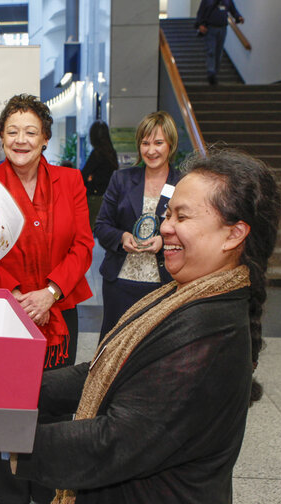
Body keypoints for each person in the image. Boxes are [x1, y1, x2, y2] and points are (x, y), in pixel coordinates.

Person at [11, 148, 281, 504]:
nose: (164, 226)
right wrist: (15, 390)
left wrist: (16, 443)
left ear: (233, 235)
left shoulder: (211, 334)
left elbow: (118, 440)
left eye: (181, 217)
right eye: (168, 213)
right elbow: (104, 373)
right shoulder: (183, 294)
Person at [0, 94, 95, 504]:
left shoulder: (71, 181)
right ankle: (8, 494)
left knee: (53, 402)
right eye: (13, 131)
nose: (21, 139)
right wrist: (16, 297)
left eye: (31, 132)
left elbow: (83, 244)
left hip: (58, 309)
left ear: (45, 139)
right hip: (5, 310)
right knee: (4, 403)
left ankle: (47, 489)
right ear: (2, 136)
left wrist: (50, 292)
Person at [94, 111, 181, 342]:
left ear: (170, 144)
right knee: (114, 345)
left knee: (156, 347)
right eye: (145, 143)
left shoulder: (183, 184)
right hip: (120, 282)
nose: (151, 150)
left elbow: (191, 231)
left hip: (165, 283)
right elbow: (101, 226)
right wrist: (122, 237)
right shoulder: (121, 179)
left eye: (158, 143)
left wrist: (164, 242)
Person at [195, 0, 243, 85]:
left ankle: (214, 73)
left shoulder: (227, 1)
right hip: (210, 28)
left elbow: (233, 10)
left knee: (219, 52)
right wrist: (200, 24)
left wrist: (238, 17)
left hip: (222, 28)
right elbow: (201, 12)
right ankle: (211, 72)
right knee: (211, 51)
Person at [80, 120, 118, 227]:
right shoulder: (112, 153)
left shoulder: (97, 153)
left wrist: (91, 179)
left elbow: (84, 175)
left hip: (95, 197)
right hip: (109, 197)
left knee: (91, 228)